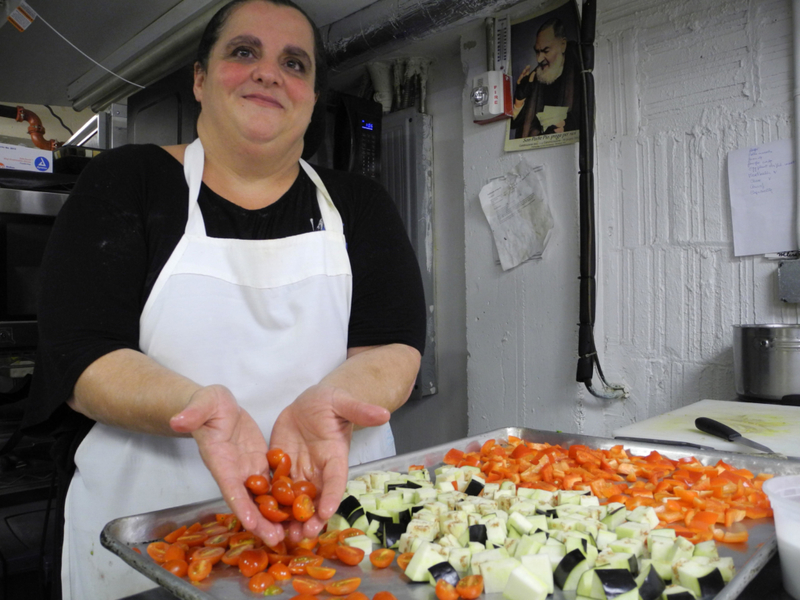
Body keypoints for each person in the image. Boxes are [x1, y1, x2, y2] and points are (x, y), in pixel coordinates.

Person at [24, 1, 426, 598]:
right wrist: (195, 406)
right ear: (200, 79)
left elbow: (393, 345)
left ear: (312, 97)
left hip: (328, 531)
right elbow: (78, 355)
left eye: (294, 63)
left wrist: (342, 397)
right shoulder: (128, 182)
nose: (269, 73)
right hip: (151, 538)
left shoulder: (359, 204)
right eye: (244, 52)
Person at [510, 17, 582, 139]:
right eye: (537, 52)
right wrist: (519, 99)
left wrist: (568, 125)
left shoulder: (579, 72)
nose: (539, 59)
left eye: (545, 51)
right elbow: (514, 123)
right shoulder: (534, 77)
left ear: (563, 45)